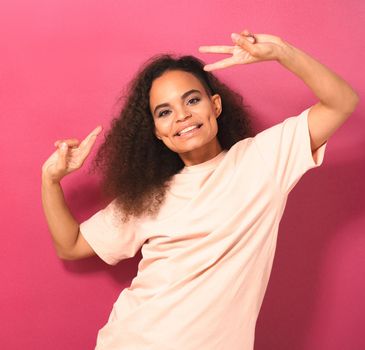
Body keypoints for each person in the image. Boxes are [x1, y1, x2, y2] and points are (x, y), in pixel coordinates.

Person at [41, 29, 359, 350]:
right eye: (164, 112)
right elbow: (71, 245)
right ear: (157, 131)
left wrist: (282, 52)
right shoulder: (150, 195)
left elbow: (342, 103)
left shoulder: (262, 159)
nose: (182, 116)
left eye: (192, 100)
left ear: (215, 105)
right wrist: (51, 179)